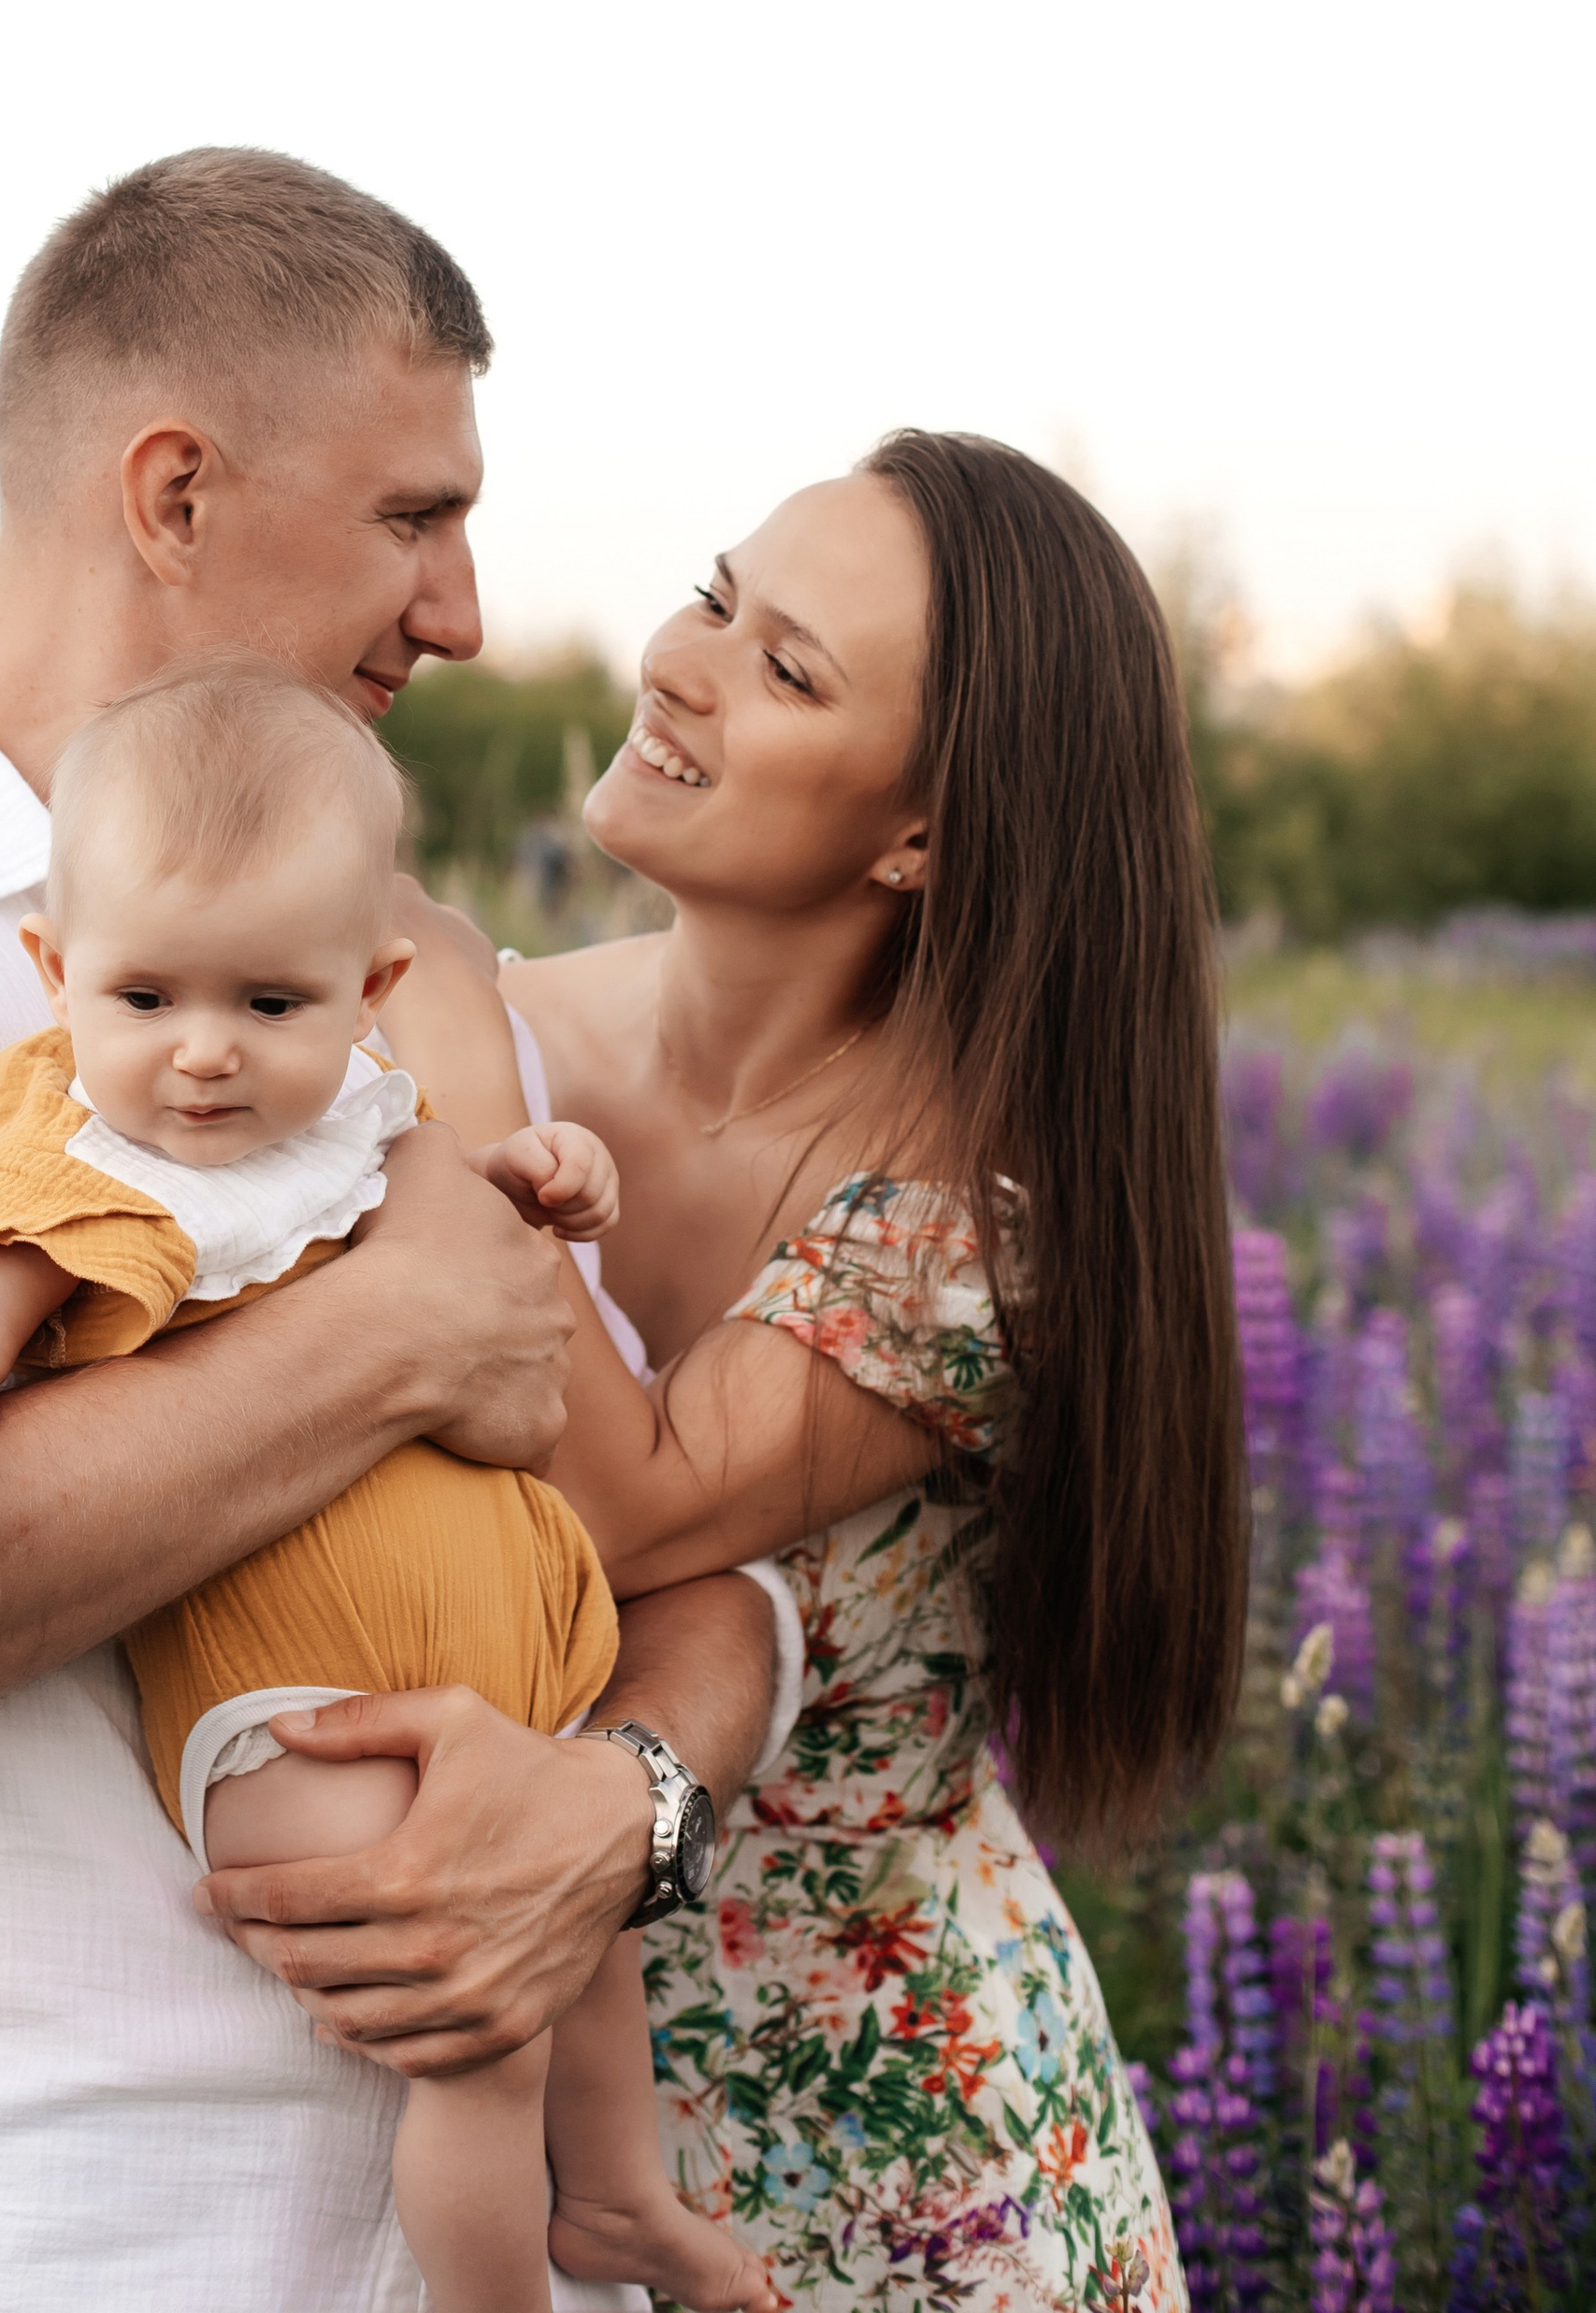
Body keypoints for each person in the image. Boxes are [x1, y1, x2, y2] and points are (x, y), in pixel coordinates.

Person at [0, 147, 784, 2312]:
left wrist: (626, 1810)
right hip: (81, 2244)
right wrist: (383, 1331)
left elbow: (679, 1555)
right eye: (413, 516)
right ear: (174, 495)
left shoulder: (395, 967)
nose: (465, 614)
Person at [387, 434, 1246, 2308]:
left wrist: (437, 1013)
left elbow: (610, 1499)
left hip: (895, 2175)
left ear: (919, 833)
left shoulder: (976, 1211)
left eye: (785, 669)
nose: (677, 665)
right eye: (712, 596)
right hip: (528, 2155)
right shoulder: (526, 1030)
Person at [0, 654, 769, 2313]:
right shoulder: (83, 1160)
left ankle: (617, 2200)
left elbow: (420, 1235)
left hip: (513, 1667)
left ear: (369, 983)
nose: (203, 1056)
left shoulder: (355, 1119)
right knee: (476, 2026)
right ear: (55, 973)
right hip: (300, 1705)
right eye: (145, 1001)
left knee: (588, 1940)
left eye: (270, 1005)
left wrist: (524, 1182)